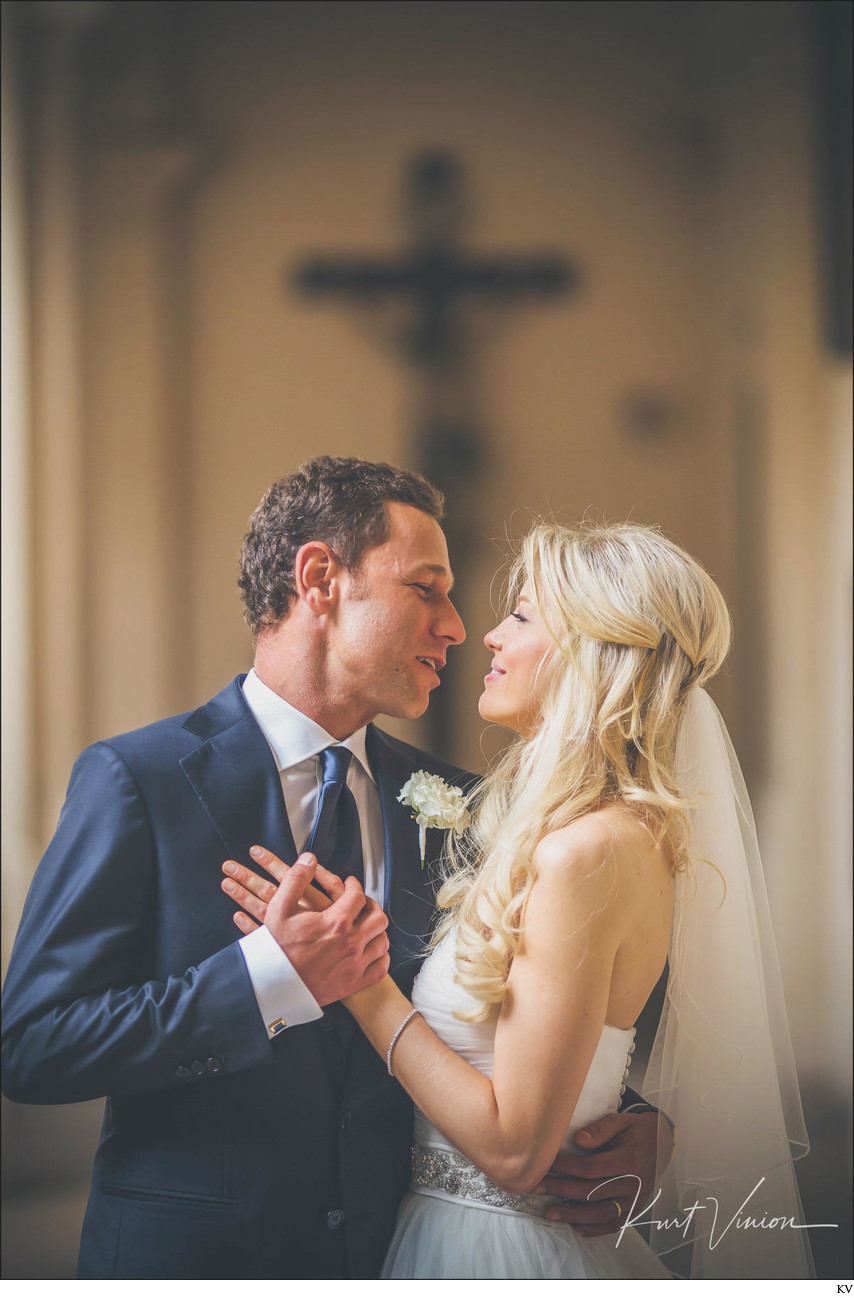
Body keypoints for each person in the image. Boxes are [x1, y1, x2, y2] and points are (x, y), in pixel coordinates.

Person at [1, 459, 666, 1281]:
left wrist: (629, 1123)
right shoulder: (139, 781)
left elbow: (558, 1003)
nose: (457, 626)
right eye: (427, 589)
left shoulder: (462, 803)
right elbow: (33, 1045)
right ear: (320, 579)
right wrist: (267, 980)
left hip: (400, 1257)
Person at [226, 520, 814, 1280]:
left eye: (524, 615)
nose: (489, 635)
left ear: (600, 653)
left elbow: (514, 1147)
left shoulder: (586, 852)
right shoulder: (548, 828)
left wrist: (362, 986)